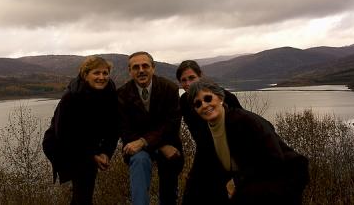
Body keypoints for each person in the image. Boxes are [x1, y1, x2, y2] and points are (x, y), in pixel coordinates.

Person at [187, 80, 309, 205]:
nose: (204, 105)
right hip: (251, 177)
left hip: (284, 173)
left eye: (208, 98)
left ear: (220, 98)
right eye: (198, 104)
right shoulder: (206, 134)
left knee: (243, 197)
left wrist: (237, 181)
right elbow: (198, 173)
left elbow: (274, 158)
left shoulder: (244, 121)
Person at [42, 56, 120, 204]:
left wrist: (105, 152)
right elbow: (64, 134)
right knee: (84, 181)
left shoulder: (110, 93)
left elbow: (113, 128)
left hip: (87, 143)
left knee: (85, 187)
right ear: (85, 75)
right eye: (96, 73)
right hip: (61, 144)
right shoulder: (71, 97)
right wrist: (92, 155)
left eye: (105, 73)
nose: (101, 77)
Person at [117, 51, 184, 205]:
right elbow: (125, 130)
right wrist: (147, 144)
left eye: (145, 66)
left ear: (153, 68)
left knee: (169, 165)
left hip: (167, 143)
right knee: (139, 160)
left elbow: (171, 124)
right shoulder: (121, 94)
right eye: (136, 67)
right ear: (130, 71)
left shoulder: (170, 89)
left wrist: (146, 141)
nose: (141, 70)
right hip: (138, 148)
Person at [176, 60, 242, 205]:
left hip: (229, 158)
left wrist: (238, 176)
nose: (188, 83)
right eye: (183, 80)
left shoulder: (223, 97)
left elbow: (245, 133)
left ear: (201, 76)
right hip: (205, 155)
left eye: (192, 78)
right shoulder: (184, 102)